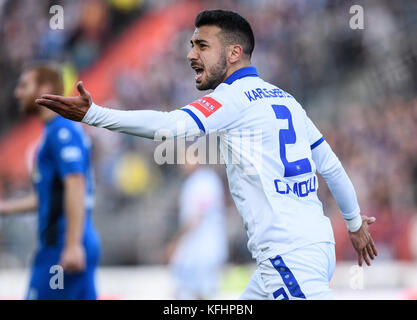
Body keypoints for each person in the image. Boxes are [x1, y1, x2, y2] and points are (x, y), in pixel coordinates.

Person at [36, 10, 378, 300]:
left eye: (202, 45)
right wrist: (354, 223)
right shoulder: (286, 100)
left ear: (233, 53)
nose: (191, 55)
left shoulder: (234, 98)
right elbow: (330, 167)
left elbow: (168, 127)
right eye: (191, 45)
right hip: (313, 247)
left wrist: (93, 114)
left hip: (287, 255)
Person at [0, 63, 101, 299]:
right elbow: (50, 195)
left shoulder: (60, 131)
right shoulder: (56, 132)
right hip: (76, 240)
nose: (17, 92)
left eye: (24, 85)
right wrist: (6, 208)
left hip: (62, 245)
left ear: (45, 88)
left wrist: (72, 244)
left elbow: (75, 182)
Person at [165, 163, 228, 299]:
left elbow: (195, 218)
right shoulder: (198, 180)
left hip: (202, 251)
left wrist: (175, 243)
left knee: (198, 294)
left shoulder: (204, 181)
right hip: (198, 251)